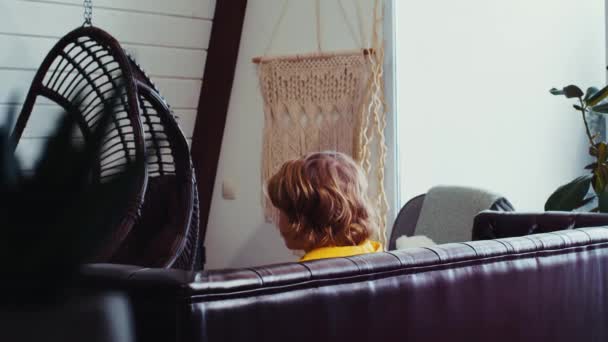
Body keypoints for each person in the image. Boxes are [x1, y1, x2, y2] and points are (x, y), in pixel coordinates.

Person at [266, 151, 382, 261]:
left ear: (304, 219)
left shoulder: (305, 276)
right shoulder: (375, 254)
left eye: (281, 211)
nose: (278, 220)